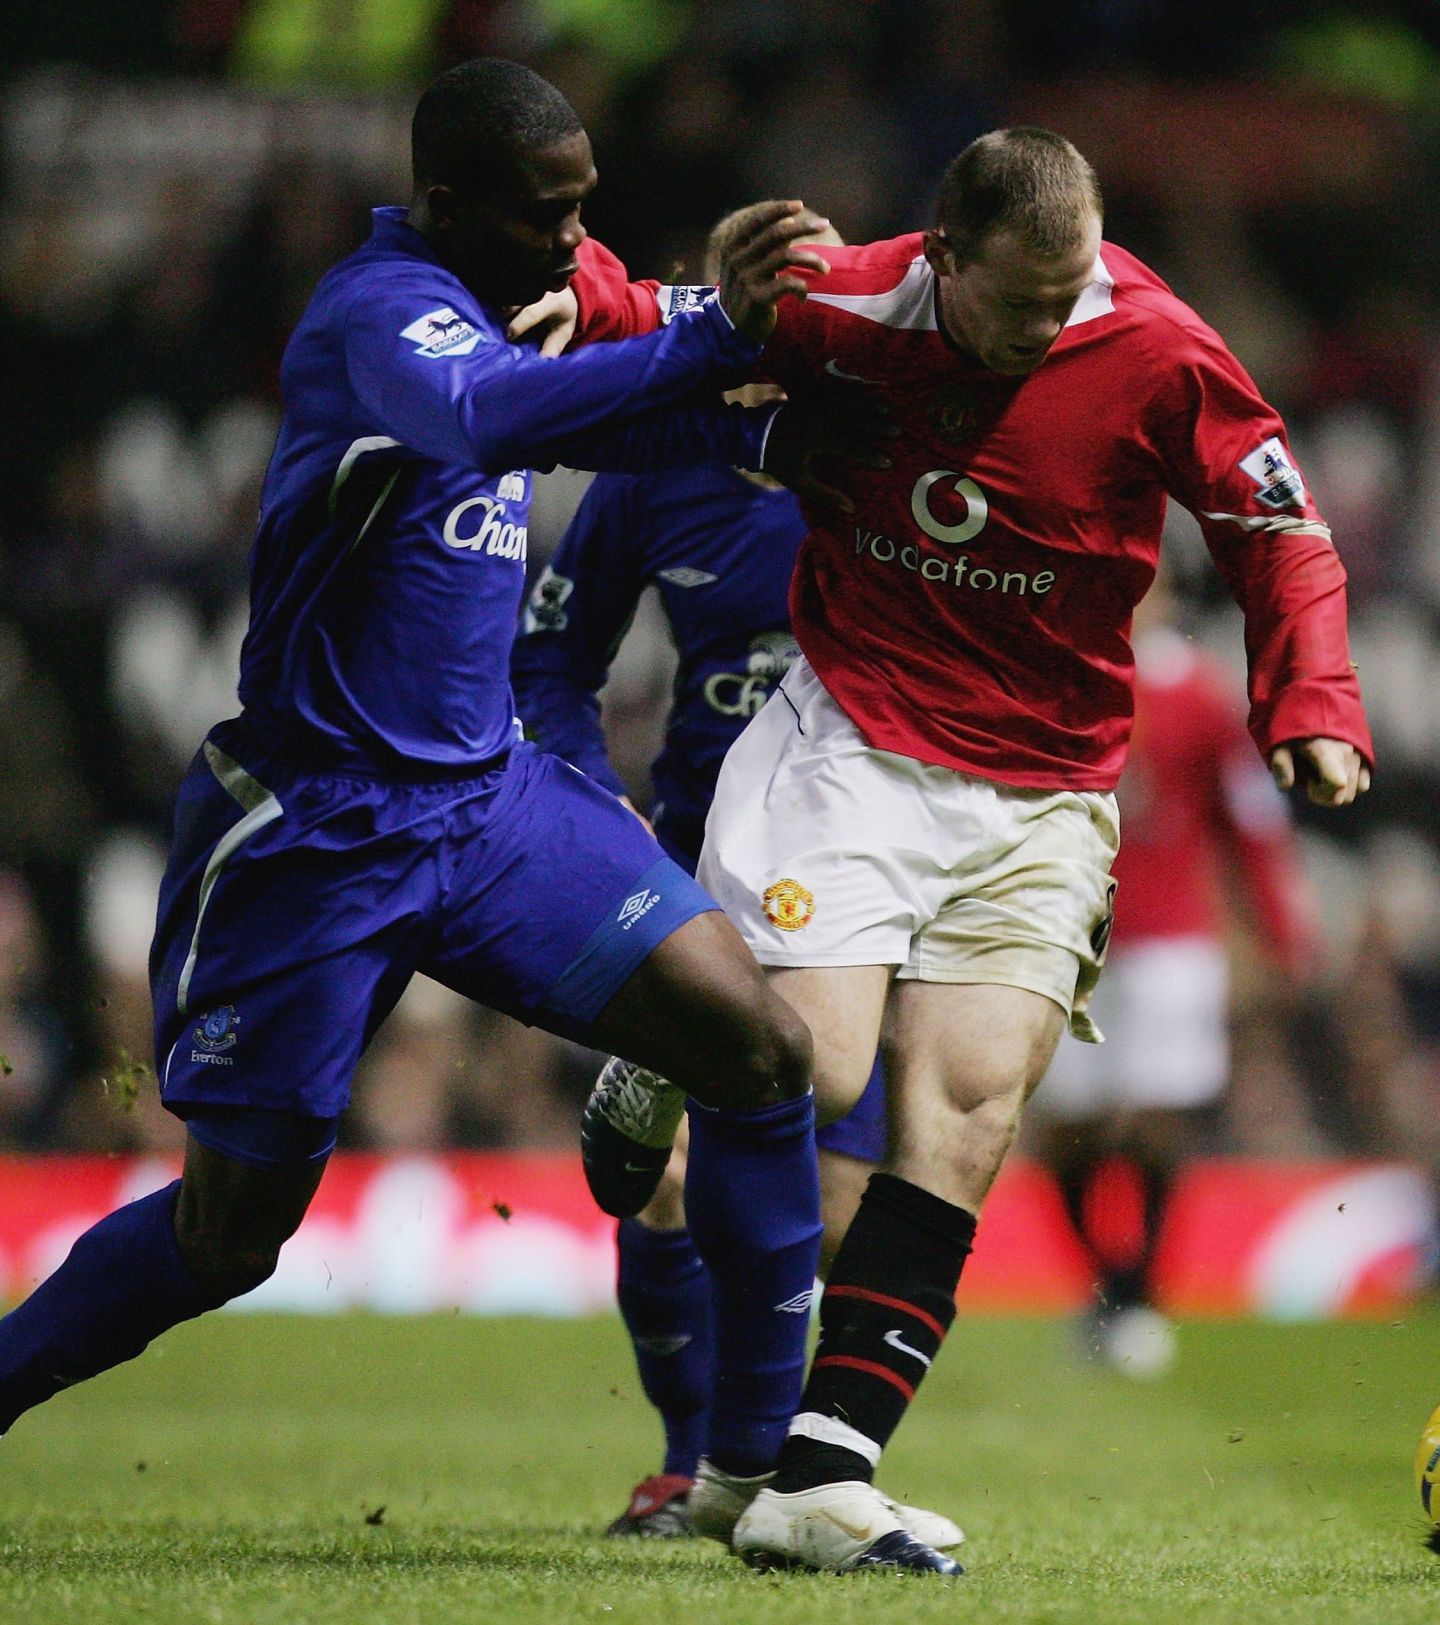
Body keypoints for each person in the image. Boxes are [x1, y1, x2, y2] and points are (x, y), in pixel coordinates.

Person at [0, 58, 872, 1561]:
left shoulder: (525, 286)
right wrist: (714, 332)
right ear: (453, 203)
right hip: (318, 829)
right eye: (549, 215)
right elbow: (489, 413)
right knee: (234, 1231)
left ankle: (744, 1478)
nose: (574, 239)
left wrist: (761, 427)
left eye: (587, 209)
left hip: (484, 803)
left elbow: (609, 406)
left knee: (757, 1043)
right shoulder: (376, 316)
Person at [564, 128, 1374, 1573]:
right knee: (812, 1069)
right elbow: (656, 328)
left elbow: (1280, 529)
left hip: (1050, 788)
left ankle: (824, 1475)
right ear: (944, 262)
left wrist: (1312, 700)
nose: (1054, 327)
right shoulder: (856, 300)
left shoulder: (1159, 345)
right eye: (1022, 305)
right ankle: (669, 1040)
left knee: (971, 1117)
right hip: (857, 747)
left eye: (1073, 296)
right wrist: (634, 292)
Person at [510, 216, 953, 1556]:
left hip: (860, 865)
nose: (783, 362)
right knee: (661, 1186)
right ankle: (688, 1466)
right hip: (699, 855)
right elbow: (551, 669)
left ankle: (766, 1462)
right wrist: (604, 817)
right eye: (764, 334)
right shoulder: (662, 467)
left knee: (823, 1207)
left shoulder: (891, 461)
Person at [1029, 586, 1314, 1380]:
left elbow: (1247, 816)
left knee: (1157, 1118)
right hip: (1062, 929)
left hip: (1168, 938)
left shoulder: (1195, 690)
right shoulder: (1054, 672)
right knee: (1061, 1128)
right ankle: (1107, 1286)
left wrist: (1279, 926)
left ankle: (1139, 1293)